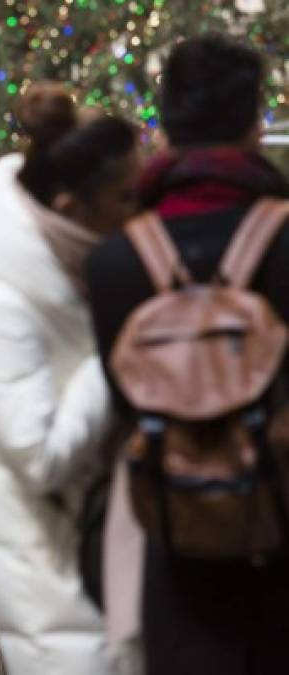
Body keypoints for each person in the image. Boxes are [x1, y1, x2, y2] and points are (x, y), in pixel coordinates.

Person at [85, 34, 289, 675]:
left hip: (173, 542)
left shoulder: (116, 259)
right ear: (255, 123)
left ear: (166, 125)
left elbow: (122, 404)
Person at [0, 81, 141, 675]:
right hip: (53, 568)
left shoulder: (89, 273)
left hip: (117, 543)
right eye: (125, 196)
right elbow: (36, 455)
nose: (138, 211)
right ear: (71, 208)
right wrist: (116, 350)